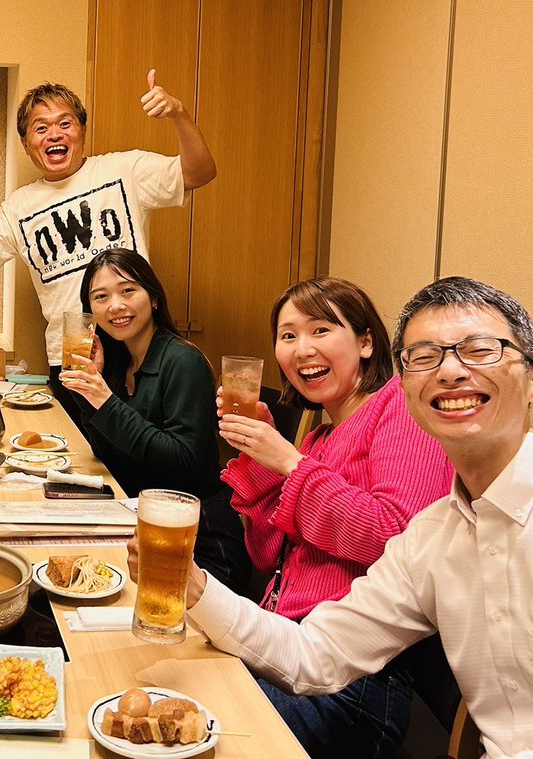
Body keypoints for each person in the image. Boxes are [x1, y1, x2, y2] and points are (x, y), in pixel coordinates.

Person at [138, 276, 533, 758]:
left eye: (479, 350)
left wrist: (290, 464)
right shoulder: (431, 536)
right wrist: (197, 588)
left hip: (366, 695)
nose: (450, 371)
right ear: (410, 389)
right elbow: (316, 652)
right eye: (424, 357)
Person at [146, 277, 455, 758]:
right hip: (282, 646)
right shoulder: (320, 438)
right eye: (288, 335)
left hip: (354, 683)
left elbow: (394, 538)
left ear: (366, 342)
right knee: (150, 693)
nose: (303, 349)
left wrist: (290, 463)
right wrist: (260, 459)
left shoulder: (399, 407)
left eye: (321, 329)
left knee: (184, 740)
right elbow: (267, 554)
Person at [0, 71, 217, 425]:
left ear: (82, 131)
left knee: (144, 446)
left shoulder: (122, 169)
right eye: (41, 128)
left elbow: (200, 172)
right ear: (26, 143)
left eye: (65, 123)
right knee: (82, 450)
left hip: (137, 346)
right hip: (72, 355)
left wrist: (178, 114)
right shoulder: (19, 205)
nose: (54, 135)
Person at [58, 248, 249, 589]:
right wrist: (89, 392)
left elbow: (183, 463)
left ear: (155, 298)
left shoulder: (183, 361)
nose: (115, 305)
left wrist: (104, 400)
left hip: (199, 539)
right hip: (141, 523)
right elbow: (109, 453)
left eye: (128, 290)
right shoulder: (119, 363)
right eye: (101, 297)